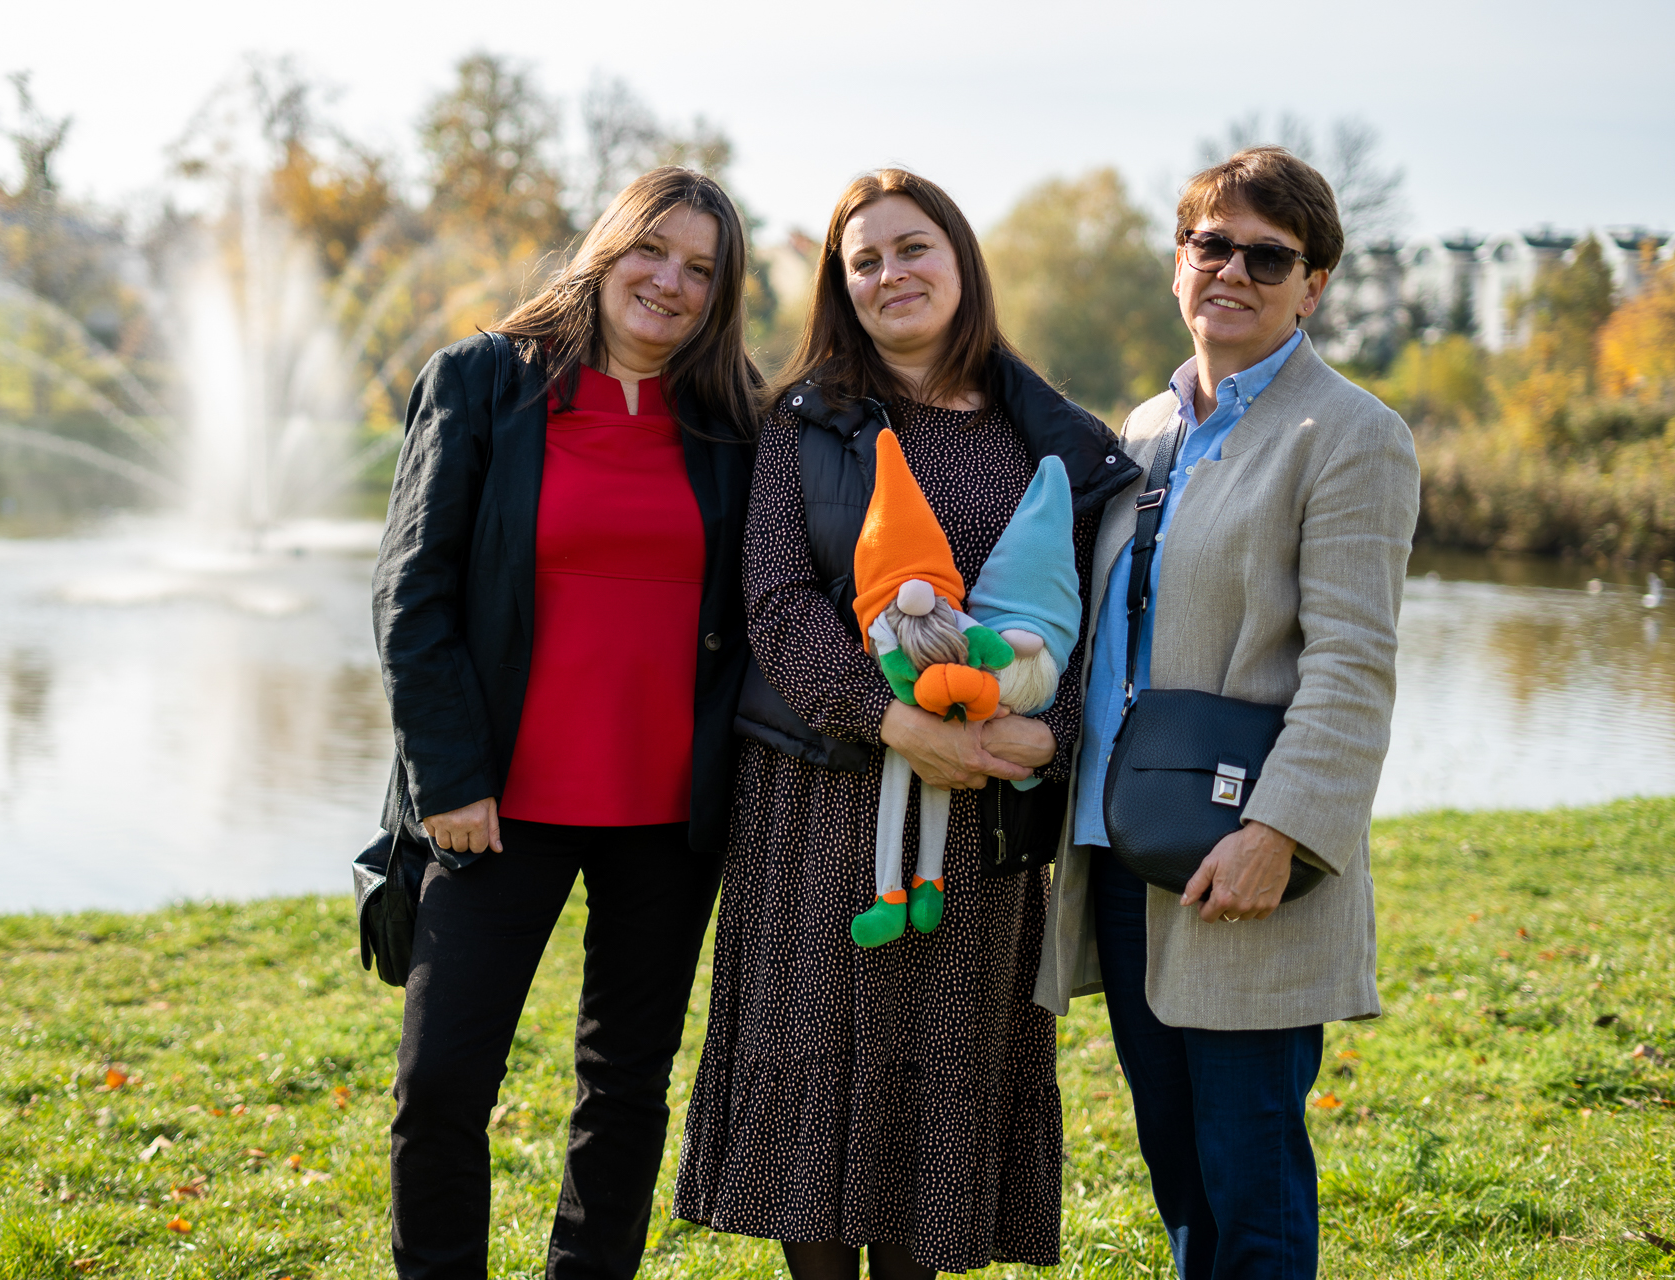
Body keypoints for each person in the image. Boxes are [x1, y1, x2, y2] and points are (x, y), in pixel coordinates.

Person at [674, 168, 1139, 1278]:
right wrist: (889, 718)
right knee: (815, 1086)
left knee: (940, 1090)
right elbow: (776, 601)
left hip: (982, 817)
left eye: (913, 247)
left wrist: (1049, 732)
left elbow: (1089, 613)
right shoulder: (806, 423)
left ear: (961, 260)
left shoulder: (1053, 436)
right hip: (817, 801)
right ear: (842, 288)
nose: (893, 274)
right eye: (865, 259)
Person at [1036, 146, 1421, 1280]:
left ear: (1313, 287)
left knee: (1250, 1176)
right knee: (1180, 1174)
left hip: (1245, 857)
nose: (1235, 272)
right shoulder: (1145, 428)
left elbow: (1355, 664)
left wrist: (1283, 832)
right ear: (1179, 262)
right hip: (1119, 851)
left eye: (1270, 256)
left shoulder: (1351, 436)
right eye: (1214, 244)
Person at [372, 167, 759, 1280]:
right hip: (494, 805)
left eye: (701, 269)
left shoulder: (733, 424)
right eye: (655, 251)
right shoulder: (485, 382)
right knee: (442, 1079)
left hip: (665, 818)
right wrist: (448, 778)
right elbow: (412, 595)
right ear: (607, 247)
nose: (671, 282)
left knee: (627, 1084)